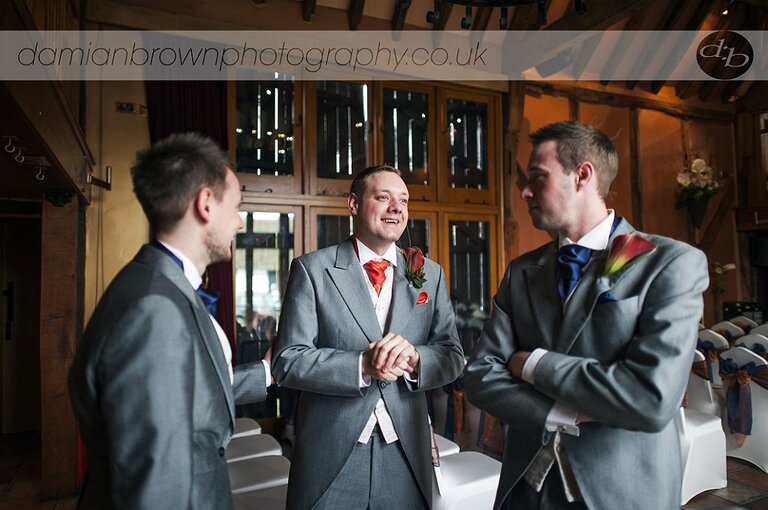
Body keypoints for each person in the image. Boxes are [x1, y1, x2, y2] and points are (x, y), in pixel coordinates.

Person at [464, 121, 709, 510]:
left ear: (583, 175)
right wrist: (556, 413)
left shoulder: (669, 263)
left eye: (538, 177)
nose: (525, 191)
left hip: (620, 490)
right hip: (525, 490)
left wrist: (535, 364)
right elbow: (478, 375)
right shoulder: (521, 271)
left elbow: (651, 397)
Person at [69, 133, 272, 509]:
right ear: (206, 204)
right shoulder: (154, 310)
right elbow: (156, 482)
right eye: (237, 206)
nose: (240, 223)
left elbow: (190, 404)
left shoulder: (159, 287)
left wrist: (266, 370)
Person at [273, 164, 465, 510]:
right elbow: (287, 361)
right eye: (383, 197)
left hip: (406, 450)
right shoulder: (312, 270)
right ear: (353, 205)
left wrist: (417, 359)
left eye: (404, 200)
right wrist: (361, 365)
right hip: (331, 452)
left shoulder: (428, 274)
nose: (397, 208)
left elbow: (452, 354)